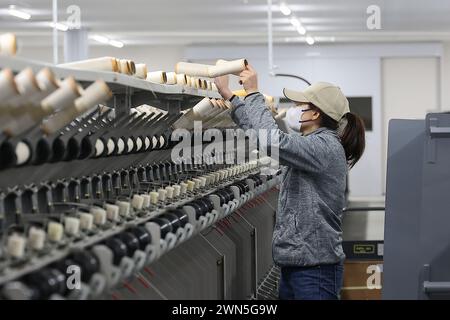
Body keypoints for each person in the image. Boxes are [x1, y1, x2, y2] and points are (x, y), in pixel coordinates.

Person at [214, 64, 366, 300]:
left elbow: (272, 142)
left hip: (315, 270)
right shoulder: (315, 143)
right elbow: (261, 136)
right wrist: (232, 98)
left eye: (300, 106)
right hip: (297, 264)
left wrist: (253, 93)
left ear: (315, 114)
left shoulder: (324, 147)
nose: (295, 110)